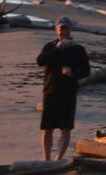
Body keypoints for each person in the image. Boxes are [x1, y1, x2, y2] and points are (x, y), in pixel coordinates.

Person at [37, 17, 90, 161]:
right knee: (47, 128)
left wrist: (73, 72)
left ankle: (58, 159)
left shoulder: (78, 49)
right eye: (60, 29)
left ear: (70, 30)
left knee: (65, 128)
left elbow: (86, 71)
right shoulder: (50, 47)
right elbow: (41, 61)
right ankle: (46, 159)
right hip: (50, 92)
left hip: (68, 93)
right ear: (56, 30)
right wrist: (57, 48)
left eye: (65, 28)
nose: (63, 31)